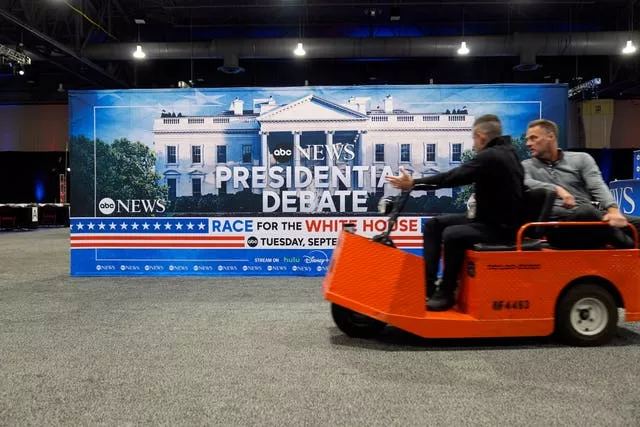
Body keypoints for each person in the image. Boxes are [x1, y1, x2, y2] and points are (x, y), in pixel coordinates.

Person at [386, 114, 525, 311]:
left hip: (500, 228)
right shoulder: (507, 153)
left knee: (453, 235)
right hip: (488, 220)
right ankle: (427, 286)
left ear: (481, 137)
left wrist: (414, 183)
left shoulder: (491, 156)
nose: (474, 145)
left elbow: (454, 177)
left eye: (473, 140)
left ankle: (446, 293)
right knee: (434, 225)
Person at [522, 119, 640, 249]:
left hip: (591, 218)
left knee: (633, 222)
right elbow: (526, 182)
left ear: (551, 136)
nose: (528, 143)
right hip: (558, 226)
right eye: (527, 139)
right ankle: (630, 248)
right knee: (586, 211)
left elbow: (597, 185)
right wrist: (557, 189)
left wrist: (613, 210)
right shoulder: (526, 166)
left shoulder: (581, 159)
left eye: (533, 138)